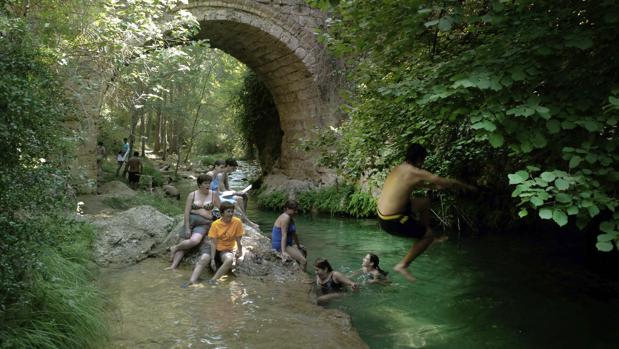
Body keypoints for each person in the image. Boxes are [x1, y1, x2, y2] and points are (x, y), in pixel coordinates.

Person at [377, 143, 476, 282]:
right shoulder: (416, 172)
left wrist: (432, 187)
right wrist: (465, 186)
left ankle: (426, 234)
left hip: (383, 214)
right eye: (423, 160)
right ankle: (403, 264)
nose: (422, 164)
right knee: (428, 236)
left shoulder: (399, 168)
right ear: (419, 159)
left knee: (425, 203)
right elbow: (445, 182)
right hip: (392, 220)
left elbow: (410, 184)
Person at [167, 174, 220, 270]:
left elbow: (222, 208)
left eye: (209, 183)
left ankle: (174, 248)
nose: (208, 185)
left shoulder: (213, 195)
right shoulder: (192, 195)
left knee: (194, 241)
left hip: (205, 223)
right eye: (205, 183)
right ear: (200, 185)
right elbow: (186, 212)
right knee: (184, 241)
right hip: (191, 220)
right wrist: (187, 227)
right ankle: (173, 266)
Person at [190, 201, 243, 285]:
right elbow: (213, 243)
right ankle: (192, 281)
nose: (230, 214)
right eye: (228, 211)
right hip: (213, 247)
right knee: (204, 258)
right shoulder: (215, 224)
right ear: (222, 213)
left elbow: (238, 240)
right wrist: (212, 260)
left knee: (229, 259)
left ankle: (213, 280)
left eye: (232, 211)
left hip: (226, 249)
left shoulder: (237, 222)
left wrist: (240, 253)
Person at [272, 199, 306, 270]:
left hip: (288, 244)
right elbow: (284, 235)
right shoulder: (285, 218)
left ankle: (300, 269)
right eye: (294, 210)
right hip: (280, 245)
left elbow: (294, 234)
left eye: (296, 210)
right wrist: (283, 252)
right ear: (287, 209)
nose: (296, 212)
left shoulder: (291, 218)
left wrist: (299, 246)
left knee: (303, 250)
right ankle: (303, 277)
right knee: (304, 261)